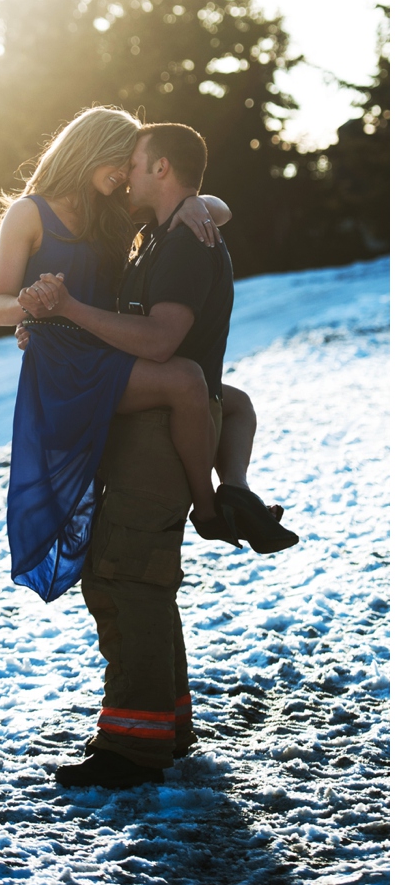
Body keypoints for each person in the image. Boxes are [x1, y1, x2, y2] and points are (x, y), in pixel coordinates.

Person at [19, 121, 297, 788]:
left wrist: (71, 311)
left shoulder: (182, 248)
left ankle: (131, 749)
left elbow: (160, 340)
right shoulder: (171, 234)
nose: (128, 175)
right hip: (159, 428)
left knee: (126, 577)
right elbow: (204, 210)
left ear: (164, 169)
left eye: (138, 165)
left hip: (163, 437)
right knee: (137, 577)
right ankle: (165, 725)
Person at [0, 108, 295, 608]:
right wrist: (33, 305)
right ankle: (208, 508)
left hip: (108, 347)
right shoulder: (30, 213)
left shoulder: (110, 211)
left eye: (132, 164)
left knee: (230, 402)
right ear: (90, 150)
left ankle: (235, 489)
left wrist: (196, 201)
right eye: (119, 161)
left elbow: (214, 208)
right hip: (67, 363)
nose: (125, 173)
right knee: (185, 381)